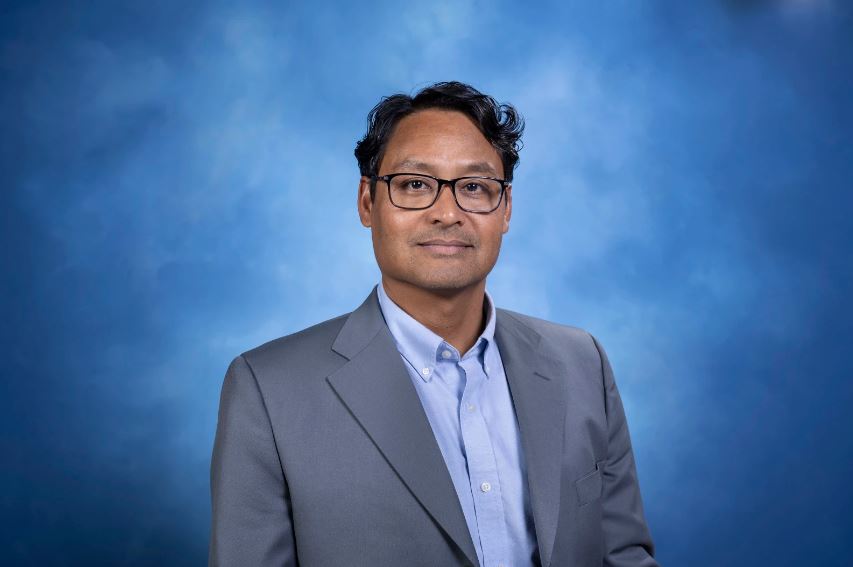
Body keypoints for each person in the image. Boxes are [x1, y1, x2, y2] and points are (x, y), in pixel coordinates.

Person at [208, 81, 660, 567]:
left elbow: (623, 557)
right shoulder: (268, 390)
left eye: (474, 187)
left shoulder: (581, 362)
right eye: (414, 185)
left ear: (505, 209)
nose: (447, 213)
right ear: (368, 202)